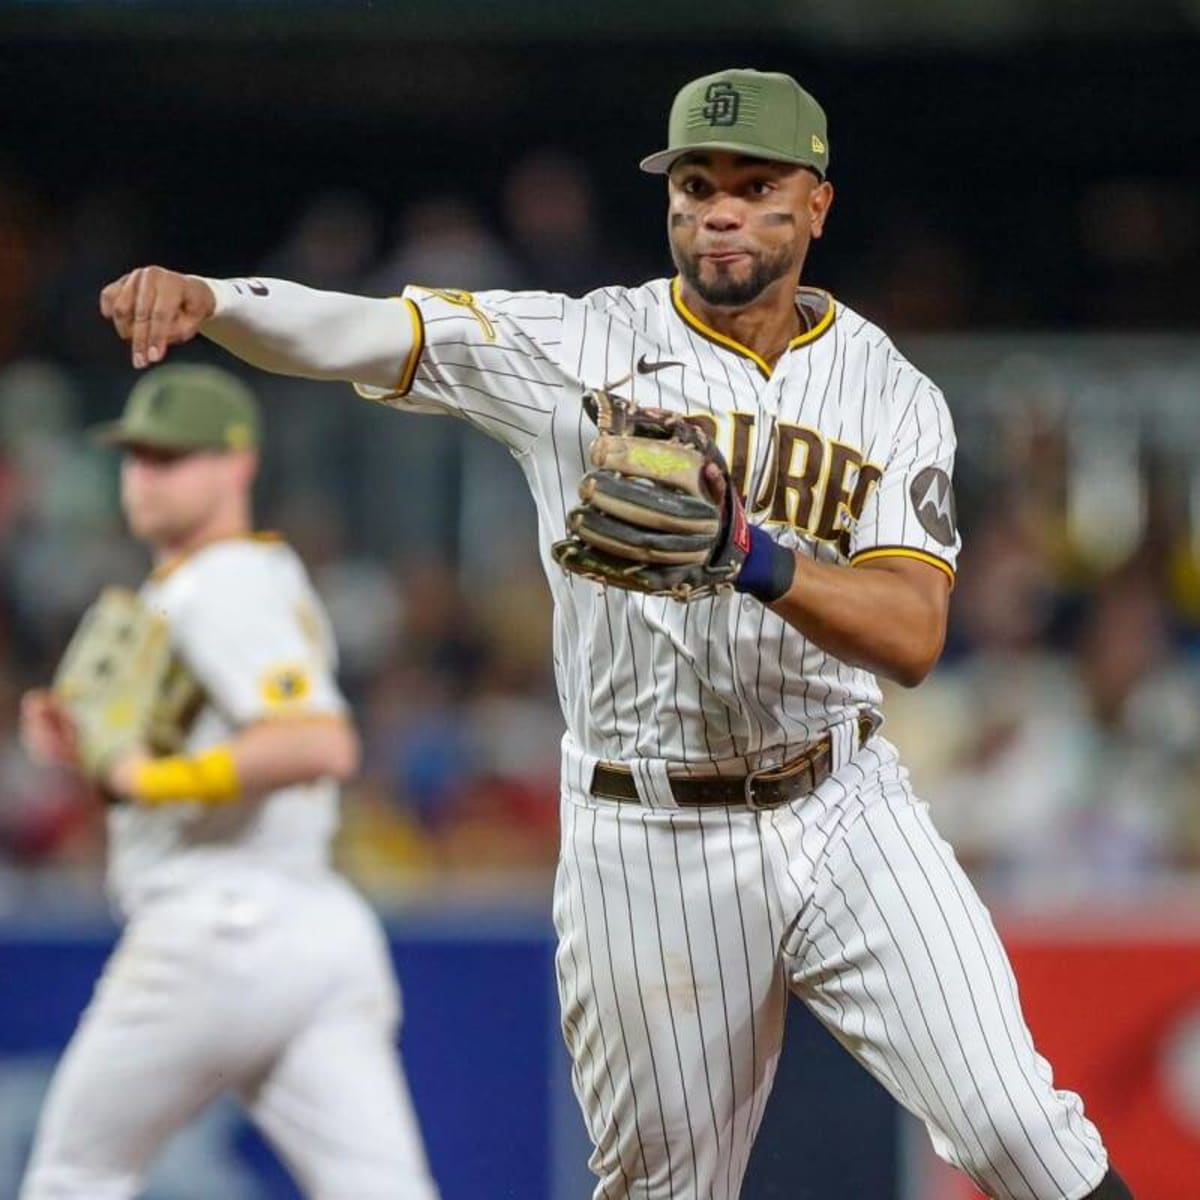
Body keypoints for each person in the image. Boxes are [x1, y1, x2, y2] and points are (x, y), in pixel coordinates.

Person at [97, 68, 1133, 1200]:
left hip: (843, 802)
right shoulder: (579, 346)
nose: (720, 211)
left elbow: (915, 631)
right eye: (696, 185)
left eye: (754, 185)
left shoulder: (888, 391)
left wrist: (750, 556)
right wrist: (214, 295)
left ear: (818, 204)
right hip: (647, 835)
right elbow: (365, 331)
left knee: (1018, 1128)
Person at [18, 365, 438, 1200]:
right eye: (137, 457)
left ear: (238, 465)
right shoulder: (221, 579)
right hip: (315, 933)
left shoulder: (225, 583)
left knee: (75, 1175)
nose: (146, 476)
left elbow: (321, 743)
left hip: (217, 928)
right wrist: (90, 751)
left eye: (173, 458)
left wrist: (156, 776)